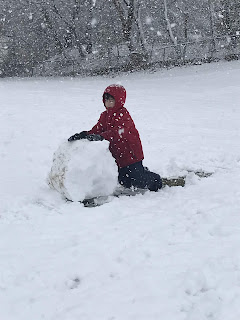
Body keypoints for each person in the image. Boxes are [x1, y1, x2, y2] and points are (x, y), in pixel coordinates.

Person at [68, 84, 162, 191]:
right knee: (123, 181)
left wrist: (101, 136)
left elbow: (118, 132)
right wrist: (85, 134)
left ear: (119, 100)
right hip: (118, 155)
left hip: (130, 154)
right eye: (106, 99)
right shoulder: (105, 115)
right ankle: (142, 171)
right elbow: (98, 129)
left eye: (111, 100)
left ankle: (156, 180)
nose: (108, 102)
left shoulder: (123, 115)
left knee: (137, 179)